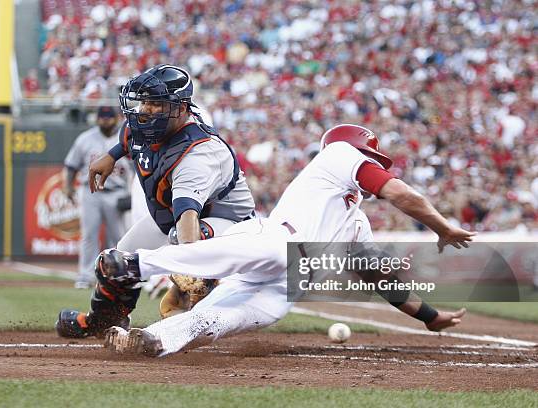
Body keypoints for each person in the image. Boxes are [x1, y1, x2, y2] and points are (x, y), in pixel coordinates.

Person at [97, 124, 475, 357]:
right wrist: (441, 227)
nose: (374, 164)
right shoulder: (338, 155)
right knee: (219, 254)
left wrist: (429, 317)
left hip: (287, 286)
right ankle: (134, 264)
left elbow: (379, 278)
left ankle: (149, 342)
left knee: (212, 321)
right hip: (276, 241)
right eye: (370, 157)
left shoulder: (356, 222)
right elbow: (398, 193)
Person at [55, 64, 255, 338]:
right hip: (175, 219)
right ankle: (102, 322)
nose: (145, 110)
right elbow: (129, 139)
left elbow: (187, 222)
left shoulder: (197, 154)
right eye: (145, 102)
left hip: (233, 230)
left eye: (156, 104)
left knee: (182, 243)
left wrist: (187, 277)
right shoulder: (150, 127)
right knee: (114, 265)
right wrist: (111, 156)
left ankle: (194, 315)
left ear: (180, 109)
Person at [62, 106, 132, 289]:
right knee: (89, 235)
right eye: (102, 117)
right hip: (91, 192)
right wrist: (67, 186)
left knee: (118, 237)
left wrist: (132, 193)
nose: (105, 121)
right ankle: (85, 276)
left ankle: (118, 275)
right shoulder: (85, 139)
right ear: (97, 119)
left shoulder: (125, 138)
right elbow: (71, 166)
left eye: (109, 117)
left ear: (116, 118)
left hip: (117, 192)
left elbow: (136, 170)